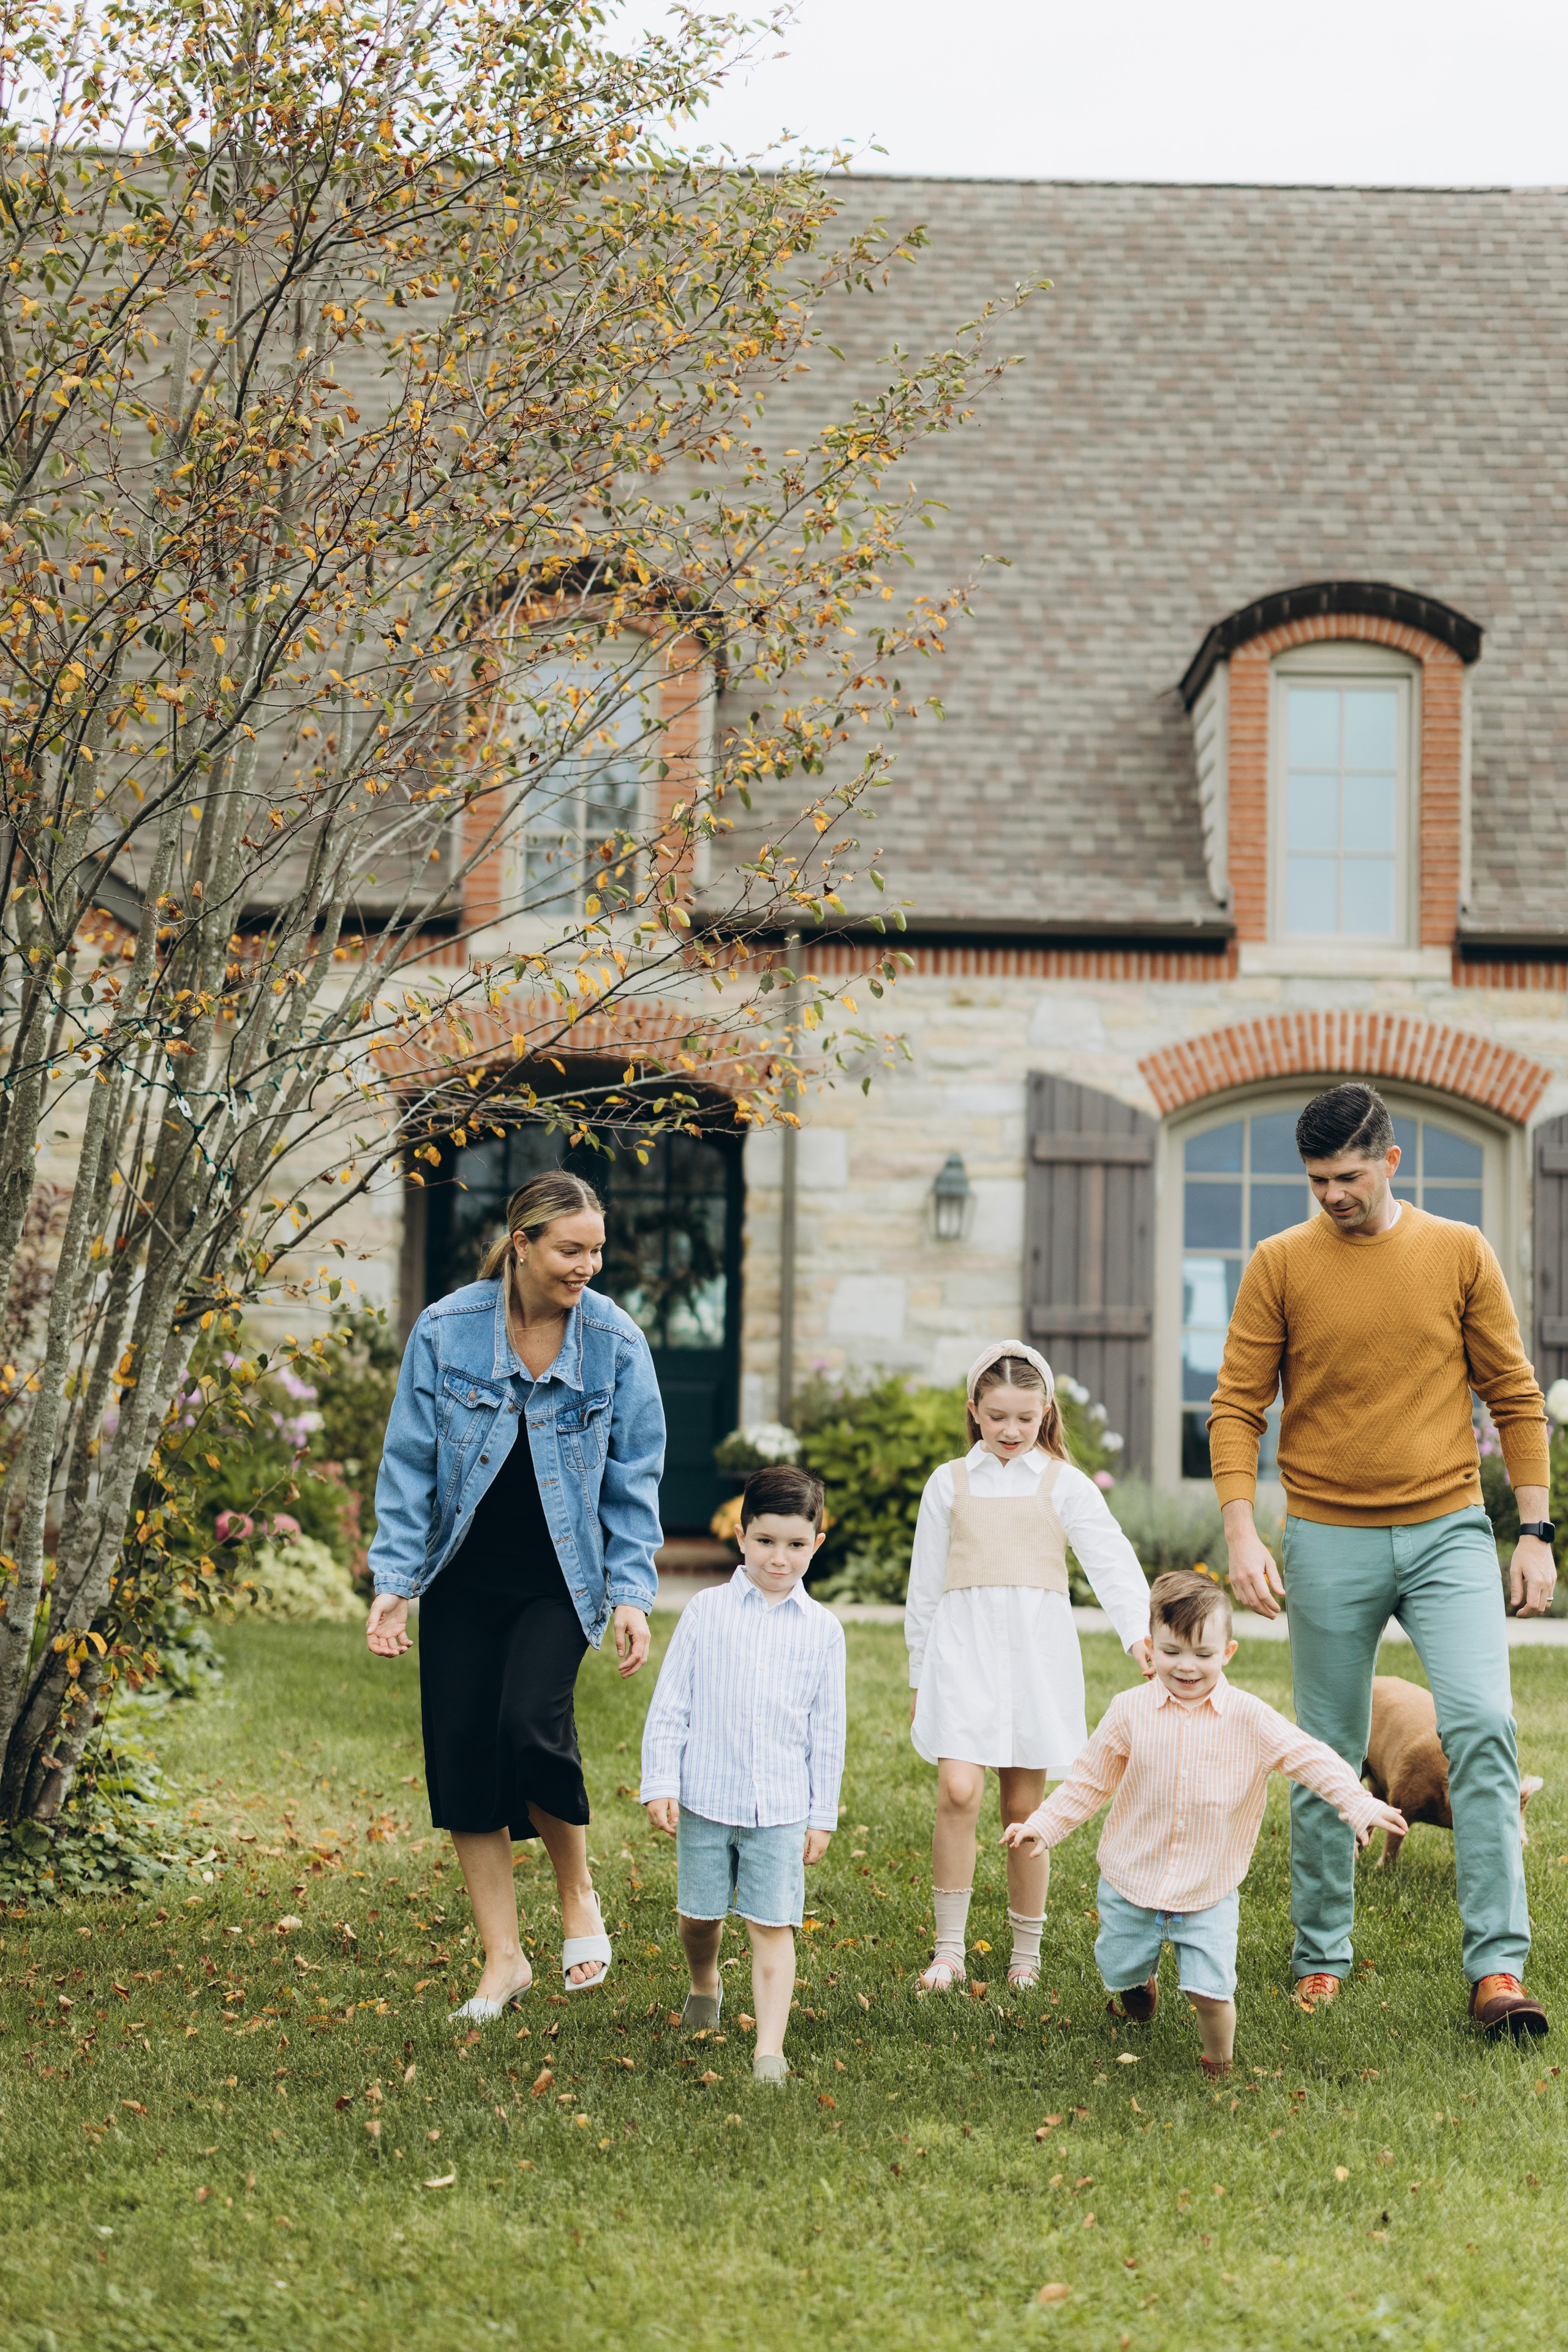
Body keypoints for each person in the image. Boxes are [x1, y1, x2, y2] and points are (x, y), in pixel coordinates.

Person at [1209, 1082, 1556, 2037]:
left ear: (1391, 1162)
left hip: (1447, 1529)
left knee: (1484, 1724)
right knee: (1324, 1749)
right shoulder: (1280, 1264)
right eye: (1317, 1179)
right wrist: (1242, 1532)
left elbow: (1516, 1397)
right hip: (1325, 1534)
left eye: (1349, 1177)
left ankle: (1497, 1968)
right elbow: (1237, 1406)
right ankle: (1321, 1955)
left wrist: (1534, 1532)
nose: (1332, 1195)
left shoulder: (1458, 1253)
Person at [364, 1169, 665, 2021]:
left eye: (597, 1250)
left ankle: (577, 1892)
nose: (589, 1268)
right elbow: (410, 1460)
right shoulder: (448, 1329)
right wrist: (396, 1584)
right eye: (572, 1250)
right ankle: (503, 1961)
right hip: (464, 1570)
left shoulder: (614, 1341)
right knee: (464, 1755)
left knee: (529, 1724)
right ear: (522, 1243)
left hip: (559, 1575)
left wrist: (631, 1594)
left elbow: (635, 1479)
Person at [1003, 1571, 1407, 2075]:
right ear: (1151, 1648)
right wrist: (1045, 1824)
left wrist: (1358, 1802)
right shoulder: (1130, 1712)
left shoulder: (1250, 1719)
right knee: (1119, 1969)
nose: (1187, 1667)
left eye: (1203, 1654)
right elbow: (1090, 1780)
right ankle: (1137, 1988)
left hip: (1208, 1887)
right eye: (1172, 1652)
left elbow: (1312, 1759)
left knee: (1209, 1991)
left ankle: (1219, 2061)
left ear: (1228, 1653)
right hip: (1131, 1878)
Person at [905, 1343, 1151, 1995]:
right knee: (958, 1791)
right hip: (962, 1657)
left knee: (1025, 1808)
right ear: (974, 1413)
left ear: (1045, 1413)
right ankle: (949, 1950)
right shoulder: (949, 1483)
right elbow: (924, 1588)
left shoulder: (1062, 1484)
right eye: (996, 1417)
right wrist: (916, 1674)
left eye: (1024, 1417)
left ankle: (1024, 1954)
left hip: (1034, 1663)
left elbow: (1111, 1561)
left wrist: (1140, 1636)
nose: (1010, 1431)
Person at [641, 1464, 846, 2085]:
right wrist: (661, 1782)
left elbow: (827, 1731)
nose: (778, 1559)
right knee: (699, 1917)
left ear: (816, 1544)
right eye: (765, 1542)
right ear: (740, 1536)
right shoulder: (706, 1613)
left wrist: (821, 1814)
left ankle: (769, 2050)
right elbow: (671, 1703)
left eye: (794, 1545)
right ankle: (705, 1981)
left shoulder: (822, 1632)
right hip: (706, 1798)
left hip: (780, 1809)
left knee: (771, 1923)